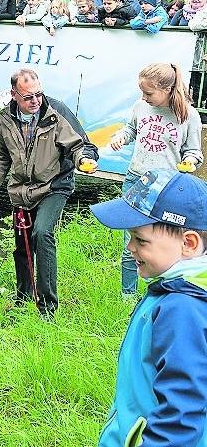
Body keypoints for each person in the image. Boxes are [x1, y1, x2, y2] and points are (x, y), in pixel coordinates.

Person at [89, 169, 207, 447]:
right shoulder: (174, 290)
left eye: (140, 240)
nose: (130, 247)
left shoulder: (183, 308)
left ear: (188, 244)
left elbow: (181, 411)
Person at [0, 68, 98, 317]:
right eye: (28, 96)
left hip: (54, 185)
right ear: (14, 94)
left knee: (42, 234)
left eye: (39, 94)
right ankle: (23, 297)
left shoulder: (57, 111)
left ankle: (48, 308)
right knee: (22, 246)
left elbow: (81, 145)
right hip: (22, 190)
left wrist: (84, 159)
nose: (35, 101)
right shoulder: (4, 120)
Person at [109, 63, 203, 296]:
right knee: (129, 246)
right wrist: (121, 136)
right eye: (142, 92)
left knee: (161, 246)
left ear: (168, 89)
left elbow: (195, 152)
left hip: (166, 190)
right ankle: (128, 297)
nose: (144, 97)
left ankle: (162, 290)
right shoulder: (141, 106)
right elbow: (131, 129)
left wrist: (190, 162)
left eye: (149, 93)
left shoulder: (188, 115)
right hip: (136, 182)